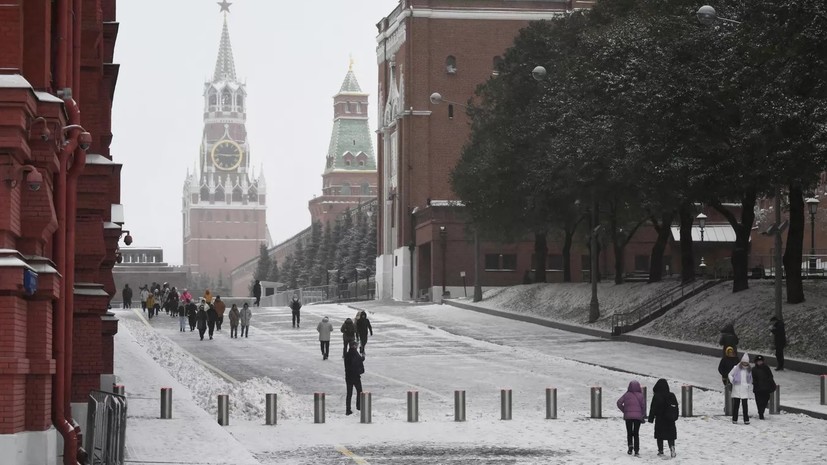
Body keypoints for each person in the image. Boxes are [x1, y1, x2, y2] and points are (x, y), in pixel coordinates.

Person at [648, 378, 678, 458]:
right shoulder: (671, 395)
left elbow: (653, 408)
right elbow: (676, 407)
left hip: (660, 419)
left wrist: (651, 418)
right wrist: (675, 416)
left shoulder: (657, 396)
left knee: (659, 435)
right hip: (670, 419)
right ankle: (672, 447)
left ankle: (660, 451)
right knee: (670, 435)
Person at [617, 380, 646, 456]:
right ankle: (636, 450)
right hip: (637, 417)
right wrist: (642, 415)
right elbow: (643, 406)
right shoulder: (641, 395)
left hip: (628, 417)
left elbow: (619, 402)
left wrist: (625, 410)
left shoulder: (626, 395)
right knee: (636, 433)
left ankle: (630, 448)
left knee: (629, 432)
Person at [728, 353, 753, 424]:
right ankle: (734, 419)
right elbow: (730, 374)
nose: (745, 364)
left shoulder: (749, 370)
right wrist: (732, 381)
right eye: (744, 362)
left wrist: (748, 384)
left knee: (745, 405)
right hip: (737, 388)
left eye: (746, 363)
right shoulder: (736, 368)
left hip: (744, 389)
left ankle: (746, 419)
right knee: (736, 405)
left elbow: (750, 378)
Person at [344, 341, 365, 415]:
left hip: (348, 376)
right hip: (355, 376)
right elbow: (357, 362)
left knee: (349, 393)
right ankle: (358, 406)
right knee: (359, 391)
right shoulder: (355, 354)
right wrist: (362, 358)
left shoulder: (347, 354)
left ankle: (348, 409)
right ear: (354, 346)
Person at [752, 355, 776, 420]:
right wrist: (755, 383)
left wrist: (769, 382)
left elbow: (770, 376)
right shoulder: (754, 369)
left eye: (761, 361)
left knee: (765, 399)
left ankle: (761, 410)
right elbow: (752, 378)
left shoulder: (766, 368)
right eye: (758, 361)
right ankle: (761, 413)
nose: (759, 362)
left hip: (766, 388)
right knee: (758, 401)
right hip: (757, 388)